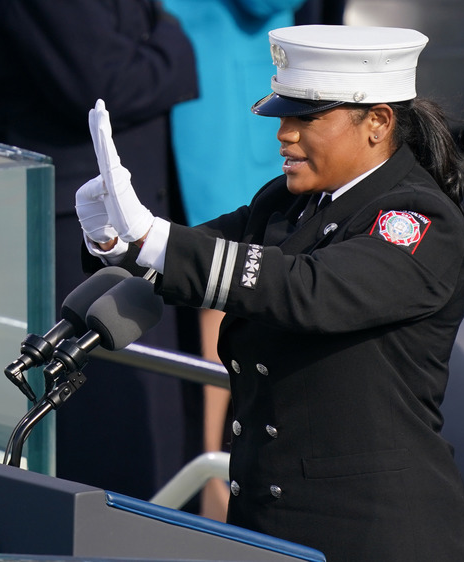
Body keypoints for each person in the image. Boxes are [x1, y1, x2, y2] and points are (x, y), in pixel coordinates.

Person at [75, 25, 464, 561]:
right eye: (283, 116)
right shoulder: (285, 203)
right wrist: (112, 238)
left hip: (373, 534)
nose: (284, 134)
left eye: (306, 118)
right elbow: (193, 260)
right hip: (270, 528)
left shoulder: (416, 220)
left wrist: (155, 238)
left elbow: (312, 291)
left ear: (377, 123)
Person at [0, 0, 204, 504]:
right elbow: (97, 84)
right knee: (100, 443)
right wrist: (174, 45)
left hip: (118, 226)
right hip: (62, 231)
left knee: (146, 441)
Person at [158, 0, 306, 521]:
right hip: (225, 110)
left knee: (219, 294)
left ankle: (213, 480)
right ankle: (215, 486)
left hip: (207, 106)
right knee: (221, 297)